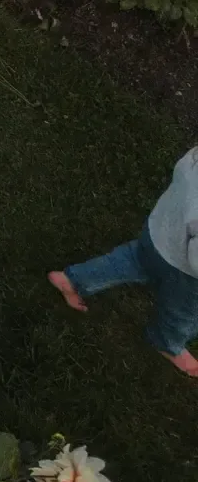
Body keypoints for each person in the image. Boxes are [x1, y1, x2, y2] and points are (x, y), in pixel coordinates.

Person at [50, 140, 198, 377]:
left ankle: (72, 280)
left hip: (158, 230)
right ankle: (167, 343)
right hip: (182, 269)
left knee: (129, 261)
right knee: (182, 311)